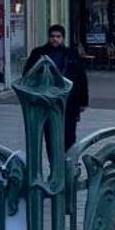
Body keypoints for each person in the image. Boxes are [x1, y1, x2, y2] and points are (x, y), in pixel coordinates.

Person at [23, 24, 90, 157]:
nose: (55, 39)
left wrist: (83, 101)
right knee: (50, 136)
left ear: (63, 38)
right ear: (48, 37)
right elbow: (28, 75)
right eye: (52, 36)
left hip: (69, 101)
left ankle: (68, 166)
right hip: (46, 100)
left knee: (69, 136)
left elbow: (81, 78)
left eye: (58, 36)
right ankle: (54, 165)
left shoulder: (71, 54)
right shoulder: (38, 53)